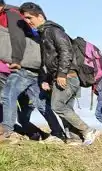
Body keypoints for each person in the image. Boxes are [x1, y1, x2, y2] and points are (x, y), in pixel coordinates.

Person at [20, 2, 98, 145]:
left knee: (57, 106)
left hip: (68, 76)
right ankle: (74, 138)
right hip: (63, 76)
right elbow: (48, 61)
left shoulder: (52, 30)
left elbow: (66, 51)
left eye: (29, 18)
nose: (28, 21)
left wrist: (62, 74)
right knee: (66, 108)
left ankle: (87, 130)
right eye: (25, 19)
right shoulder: (44, 33)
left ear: (40, 16)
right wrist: (45, 78)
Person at [0, 10, 64, 144]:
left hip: (24, 68)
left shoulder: (12, 23)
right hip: (37, 70)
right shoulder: (35, 34)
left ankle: (7, 131)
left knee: (8, 95)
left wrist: (16, 60)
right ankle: (58, 132)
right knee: (40, 103)